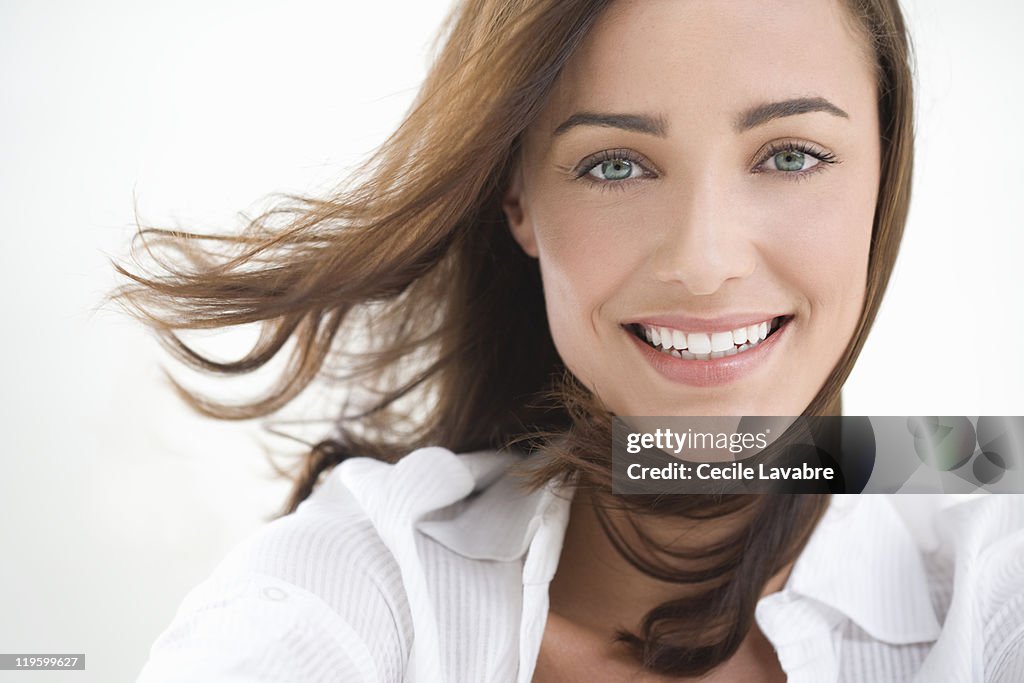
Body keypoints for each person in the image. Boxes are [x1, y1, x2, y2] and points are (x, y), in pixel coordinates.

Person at [116, 0, 1024, 681]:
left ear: (883, 168)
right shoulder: (366, 578)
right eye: (615, 164)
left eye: (791, 155)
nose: (704, 262)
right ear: (519, 200)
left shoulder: (991, 555)